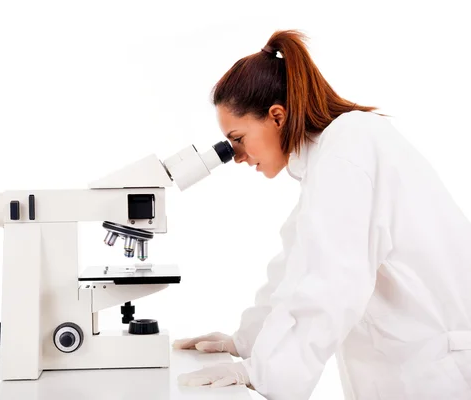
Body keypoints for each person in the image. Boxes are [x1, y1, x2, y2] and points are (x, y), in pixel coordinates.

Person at [173, 29, 471, 399]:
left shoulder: (348, 151)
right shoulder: (335, 155)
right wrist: (244, 341)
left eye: (238, 138)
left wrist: (264, 372)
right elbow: (297, 264)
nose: (237, 156)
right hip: (407, 370)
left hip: (432, 376)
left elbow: (329, 281)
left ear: (277, 116)